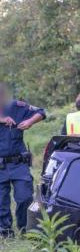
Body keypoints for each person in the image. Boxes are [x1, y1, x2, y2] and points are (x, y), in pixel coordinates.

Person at [0, 83, 45, 237]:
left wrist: (30, 121)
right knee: (1, 203)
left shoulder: (16, 107)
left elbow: (41, 112)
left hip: (18, 163)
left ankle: (25, 229)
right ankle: (5, 232)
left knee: (25, 197)